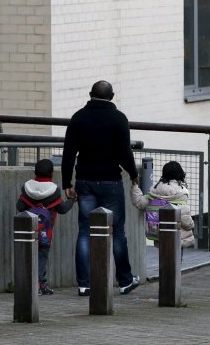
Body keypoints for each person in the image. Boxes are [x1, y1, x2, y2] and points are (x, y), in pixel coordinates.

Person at [62, 80, 141, 296]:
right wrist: (134, 175)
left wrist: (66, 183)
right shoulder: (118, 119)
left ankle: (85, 284)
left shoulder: (78, 117)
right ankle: (125, 281)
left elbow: (68, 153)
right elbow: (125, 153)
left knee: (85, 232)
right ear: (112, 96)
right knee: (117, 233)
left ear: (90, 94)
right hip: (111, 182)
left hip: (85, 181)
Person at [16, 158, 73, 296]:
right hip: (45, 234)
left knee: (29, 257)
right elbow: (62, 209)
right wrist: (72, 200)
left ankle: (29, 283)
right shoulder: (54, 191)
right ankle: (40, 284)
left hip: (28, 233)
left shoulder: (27, 189)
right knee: (42, 258)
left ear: (35, 171)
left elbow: (20, 207)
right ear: (51, 174)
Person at [131, 160, 195, 249]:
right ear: (179, 174)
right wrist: (192, 225)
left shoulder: (154, 192)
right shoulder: (181, 192)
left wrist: (135, 186)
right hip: (179, 238)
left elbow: (139, 202)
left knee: (164, 258)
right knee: (175, 259)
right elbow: (186, 220)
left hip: (159, 236)